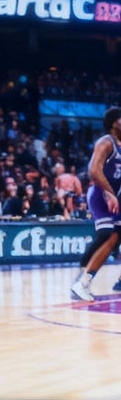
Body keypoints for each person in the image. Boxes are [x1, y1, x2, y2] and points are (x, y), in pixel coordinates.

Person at [71, 108, 121, 300]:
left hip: (115, 196)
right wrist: (109, 192)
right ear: (114, 123)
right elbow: (93, 170)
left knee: (116, 237)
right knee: (108, 234)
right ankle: (82, 280)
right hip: (100, 194)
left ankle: (86, 280)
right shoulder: (106, 142)